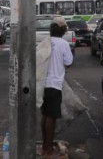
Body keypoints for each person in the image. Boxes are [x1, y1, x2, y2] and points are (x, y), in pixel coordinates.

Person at [41, 16, 73, 158]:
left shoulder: (45, 42)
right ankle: (48, 149)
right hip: (54, 85)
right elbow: (69, 61)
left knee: (45, 115)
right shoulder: (63, 44)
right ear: (63, 30)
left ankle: (45, 145)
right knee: (51, 118)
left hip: (43, 84)